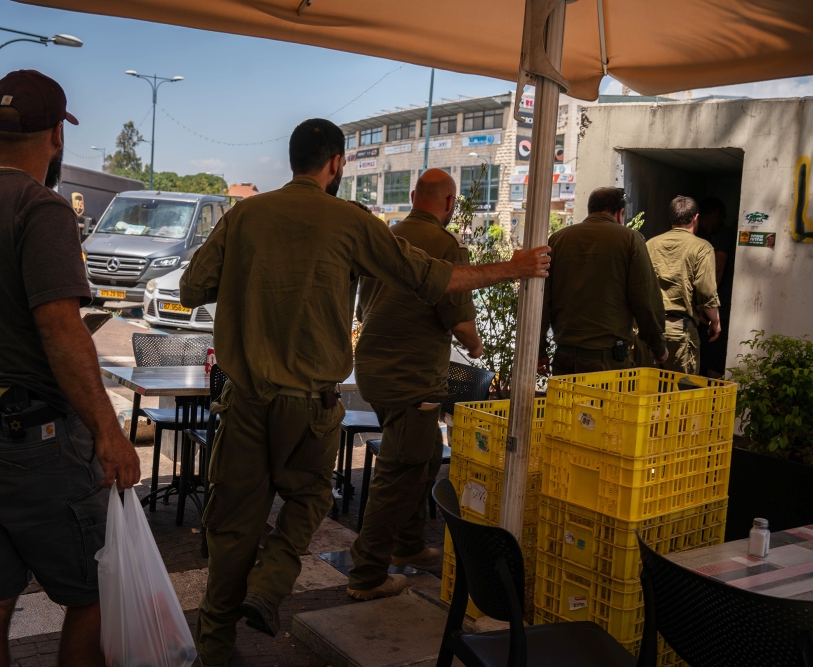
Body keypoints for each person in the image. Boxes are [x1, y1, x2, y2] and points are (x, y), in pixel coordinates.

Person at [179, 118, 549, 666]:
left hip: (245, 401)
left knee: (232, 525)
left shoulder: (244, 215)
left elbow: (191, 288)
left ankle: (215, 647)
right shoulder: (351, 221)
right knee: (310, 498)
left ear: (292, 160)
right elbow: (430, 278)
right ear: (336, 164)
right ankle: (272, 582)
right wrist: (514, 268)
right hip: (310, 407)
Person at [0, 70, 141, 667]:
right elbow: (60, 329)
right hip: (29, 442)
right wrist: (110, 435)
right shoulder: (42, 209)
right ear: (56, 137)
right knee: (94, 595)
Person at [347, 169, 483, 601]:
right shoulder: (446, 246)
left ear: (411, 197)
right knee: (400, 472)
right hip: (412, 377)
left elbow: (364, 305)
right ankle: (367, 573)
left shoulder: (386, 237)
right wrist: (477, 346)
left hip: (374, 370)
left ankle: (408, 545)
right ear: (449, 204)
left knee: (420, 459)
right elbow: (460, 322)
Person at [537, 186, 667, 376]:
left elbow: (542, 301)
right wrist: (658, 347)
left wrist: (540, 351)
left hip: (564, 359)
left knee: (566, 406)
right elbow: (645, 300)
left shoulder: (557, 239)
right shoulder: (631, 240)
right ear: (621, 213)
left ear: (591, 210)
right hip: (608, 363)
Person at [646, 196, 722, 375]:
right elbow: (706, 290)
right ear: (696, 218)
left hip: (648, 329)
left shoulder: (650, 244)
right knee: (682, 393)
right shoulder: (702, 248)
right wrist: (715, 321)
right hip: (679, 331)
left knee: (648, 391)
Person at [695, 197, 735, 378]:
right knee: (714, 356)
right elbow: (717, 268)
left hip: (701, 309)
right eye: (722, 217)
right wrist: (709, 304)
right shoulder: (715, 237)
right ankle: (712, 402)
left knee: (710, 355)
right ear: (716, 214)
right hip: (717, 308)